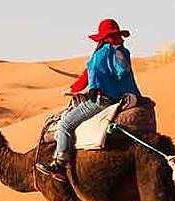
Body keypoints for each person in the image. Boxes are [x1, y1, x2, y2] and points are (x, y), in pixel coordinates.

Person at [36, 18, 140, 180]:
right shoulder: (120, 51)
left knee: (65, 124)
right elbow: (90, 74)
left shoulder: (106, 52)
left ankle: (60, 164)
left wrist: (93, 88)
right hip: (120, 98)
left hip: (103, 100)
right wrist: (73, 89)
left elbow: (109, 72)